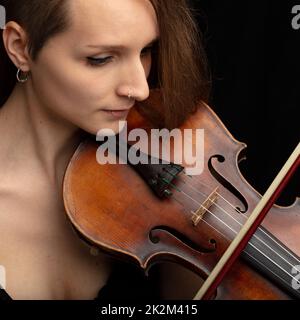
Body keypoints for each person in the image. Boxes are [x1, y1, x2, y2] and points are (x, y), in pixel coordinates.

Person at [0, 0, 209, 300]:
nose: (140, 89)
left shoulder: (156, 171)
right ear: (20, 47)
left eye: (146, 51)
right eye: (101, 59)